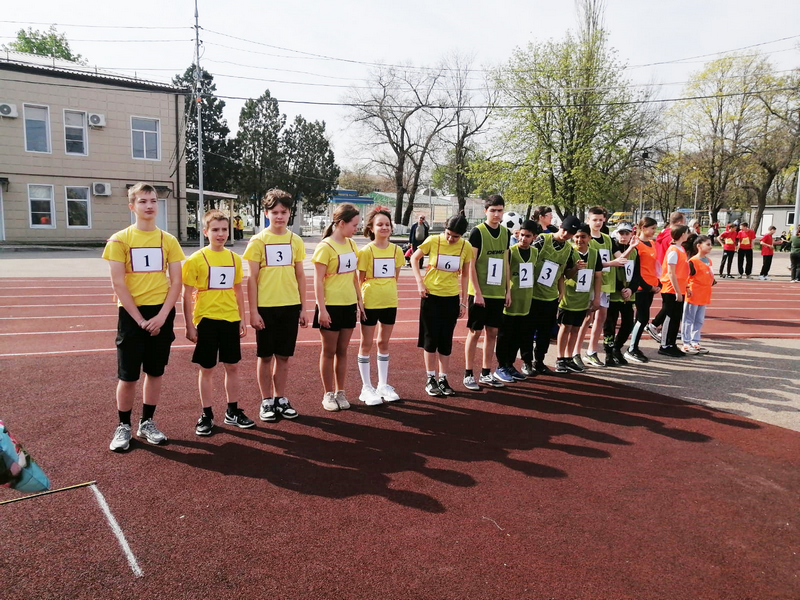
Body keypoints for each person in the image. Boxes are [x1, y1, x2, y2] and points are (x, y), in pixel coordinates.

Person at [103, 183, 185, 452]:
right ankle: (123, 425)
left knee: (155, 372)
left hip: (161, 314)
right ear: (132, 206)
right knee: (128, 376)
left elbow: (176, 282)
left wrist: (162, 316)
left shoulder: (168, 241)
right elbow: (118, 284)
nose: (149, 205)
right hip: (131, 316)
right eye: (143, 201)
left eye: (153, 201)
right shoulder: (119, 240)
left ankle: (147, 422)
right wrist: (139, 320)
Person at [182, 210, 252, 436]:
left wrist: (242, 318)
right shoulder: (195, 260)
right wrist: (189, 325)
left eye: (224, 229)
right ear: (205, 232)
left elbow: (238, 289)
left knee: (232, 366)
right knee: (207, 368)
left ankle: (232, 411)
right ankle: (206, 414)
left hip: (230, 319)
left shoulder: (234, 259)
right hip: (206, 319)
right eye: (215, 230)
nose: (220, 234)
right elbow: (186, 294)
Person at [242, 189, 307, 423]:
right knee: (265, 356)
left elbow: (300, 275)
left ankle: (280, 398)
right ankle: (266, 400)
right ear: (266, 213)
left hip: (290, 306)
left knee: (284, 357)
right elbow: (251, 279)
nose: (279, 216)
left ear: (290, 213)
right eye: (275, 212)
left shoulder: (295, 240)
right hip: (266, 308)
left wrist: (304, 307)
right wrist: (253, 311)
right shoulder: (258, 241)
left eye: (284, 212)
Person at [411, 214, 473, 397]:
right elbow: (414, 258)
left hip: (451, 298)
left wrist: (463, 301)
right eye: (448, 234)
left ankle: (443, 378)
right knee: (430, 339)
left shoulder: (466, 247)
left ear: (462, 235)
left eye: (455, 236)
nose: (450, 239)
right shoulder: (433, 240)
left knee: (445, 340)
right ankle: (430, 378)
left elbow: (465, 275)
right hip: (431, 297)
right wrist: (419, 282)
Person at [312, 203, 364, 412]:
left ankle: (341, 391)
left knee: (342, 351)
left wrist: (359, 301)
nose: (356, 229)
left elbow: (353, 276)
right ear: (341, 223)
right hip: (330, 306)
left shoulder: (352, 245)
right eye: (354, 225)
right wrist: (322, 309)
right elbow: (317, 281)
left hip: (348, 304)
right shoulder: (325, 247)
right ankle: (327, 393)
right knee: (329, 351)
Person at [521, 215, 582, 374]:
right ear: (561, 226)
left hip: (550, 297)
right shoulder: (542, 240)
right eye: (565, 230)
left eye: (570, 234)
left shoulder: (569, 250)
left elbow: (566, 274)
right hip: (533, 294)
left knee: (545, 332)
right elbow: (527, 257)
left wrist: (575, 269)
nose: (565, 234)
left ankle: (539, 361)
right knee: (528, 330)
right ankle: (526, 362)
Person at [356, 208, 405, 405]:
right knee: (366, 344)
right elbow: (359, 280)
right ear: (371, 228)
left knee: (383, 343)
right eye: (380, 224)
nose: (384, 227)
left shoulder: (397, 251)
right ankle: (366, 387)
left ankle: (382, 385)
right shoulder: (366, 251)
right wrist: (360, 303)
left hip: (389, 302)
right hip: (370, 303)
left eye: (387, 224)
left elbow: (396, 277)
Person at [577, 206, 636, 368]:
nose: (597, 223)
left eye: (600, 220)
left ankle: (591, 351)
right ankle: (576, 352)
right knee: (587, 318)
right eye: (594, 220)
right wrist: (611, 263)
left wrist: (631, 247)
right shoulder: (585, 239)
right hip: (589, 284)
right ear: (588, 220)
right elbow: (589, 263)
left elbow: (620, 258)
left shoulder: (608, 239)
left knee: (600, 319)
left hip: (606, 285)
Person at [463, 195, 512, 390]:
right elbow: (471, 265)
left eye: (500, 210)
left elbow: (506, 262)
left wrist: (508, 290)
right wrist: (477, 292)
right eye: (493, 210)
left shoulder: (506, 233)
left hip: (497, 292)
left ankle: (486, 372)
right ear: (486, 211)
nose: (496, 214)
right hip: (479, 292)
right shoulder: (478, 232)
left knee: (492, 332)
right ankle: (468, 374)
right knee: (475, 333)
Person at [495, 219, 539, 382]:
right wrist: (507, 292)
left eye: (528, 236)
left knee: (519, 336)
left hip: (526, 301)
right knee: (505, 335)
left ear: (534, 237)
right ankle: (501, 366)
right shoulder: (511, 251)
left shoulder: (535, 253)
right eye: (521, 235)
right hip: (511, 300)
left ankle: (510, 364)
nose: (524, 239)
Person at [556, 224, 602, 373]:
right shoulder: (569, 252)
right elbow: (564, 275)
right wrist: (575, 268)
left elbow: (598, 276)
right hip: (569, 297)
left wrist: (596, 298)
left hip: (583, 299)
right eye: (576, 236)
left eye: (583, 236)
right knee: (565, 327)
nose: (579, 240)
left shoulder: (595, 254)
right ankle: (560, 358)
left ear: (589, 238)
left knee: (576, 328)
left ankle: (570, 357)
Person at [603, 223, 640, 366]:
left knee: (628, 324)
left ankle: (617, 348)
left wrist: (631, 289)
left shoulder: (635, 252)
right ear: (616, 234)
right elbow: (613, 272)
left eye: (627, 234)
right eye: (621, 233)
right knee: (610, 324)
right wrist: (621, 289)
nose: (624, 237)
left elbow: (636, 273)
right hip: (614, 294)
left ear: (631, 235)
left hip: (628, 295)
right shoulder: (613, 249)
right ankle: (608, 352)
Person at [626, 217, 661, 363]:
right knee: (643, 318)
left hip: (651, 286)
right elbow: (636, 270)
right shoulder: (637, 245)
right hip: (642, 287)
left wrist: (658, 283)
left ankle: (634, 346)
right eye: (651, 228)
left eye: (655, 228)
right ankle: (631, 349)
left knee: (641, 318)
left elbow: (654, 266)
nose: (654, 231)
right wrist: (647, 286)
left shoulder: (652, 244)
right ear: (642, 227)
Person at [657, 225, 691, 357]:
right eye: (687, 233)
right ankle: (664, 345)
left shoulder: (680, 248)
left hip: (679, 287)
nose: (688, 235)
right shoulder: (673, 251)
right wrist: (677, 291)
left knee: (677, 317)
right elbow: (671, 273)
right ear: (682, 234)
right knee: (670, 317)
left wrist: (685, 287)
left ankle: (671, 343)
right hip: (671, 289)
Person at [682, 235, 715, 355]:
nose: (710, 247)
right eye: (708, 244)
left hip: (704, 294)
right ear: (699, 246)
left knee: (699, 320)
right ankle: (686, 343)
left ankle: (695, 341)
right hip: (693, 293)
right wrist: (686, 288)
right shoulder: (693, 261)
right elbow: (685, 277)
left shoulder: (708, 261)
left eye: (710, 244)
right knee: (689, 319)